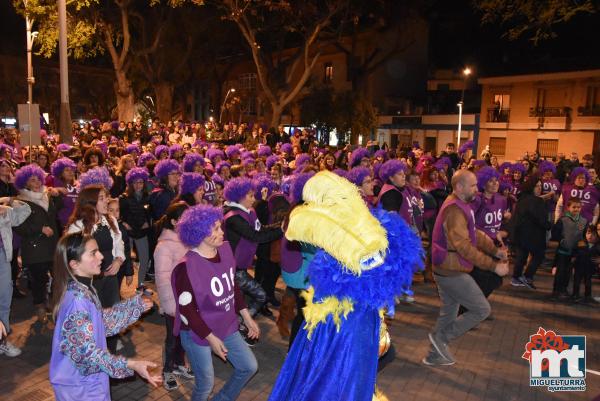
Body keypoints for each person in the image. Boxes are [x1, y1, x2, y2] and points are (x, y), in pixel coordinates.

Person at [49, 232, 161, 400]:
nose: (101, 256)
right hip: (80, 387)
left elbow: (100, 324)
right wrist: (131, 364)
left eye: (98, 251)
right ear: (74, 264)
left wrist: (134, 306)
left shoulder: (85, 289)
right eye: (93, 253)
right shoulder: (77, 301)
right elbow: (87, 354)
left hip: (90, 381)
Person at [172, 204, 259, 401]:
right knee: (205, 385)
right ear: (201, 234)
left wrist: (246, 316)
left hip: (225, 325)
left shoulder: (225, 250)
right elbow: (187, 312)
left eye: (220, 227)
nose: (222, 232)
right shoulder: (186, 268)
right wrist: (211, 338)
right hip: (196, 332)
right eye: (217, 229)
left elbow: (232, 285)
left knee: (249, 366)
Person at [426, 170, 509, 366]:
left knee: (449, 313)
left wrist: (494, 251)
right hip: (450, 271)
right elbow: (463, 246)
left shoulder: (463, 205)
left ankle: (434, 354)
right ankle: (440, 338)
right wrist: (493, 266)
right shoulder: (455, 209)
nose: (477, 189)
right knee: (481, 309)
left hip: (447, 268)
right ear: (459, 187)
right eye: (472, 185)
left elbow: (474, 234)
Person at [223, 178, 283, 320]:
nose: (253, 198)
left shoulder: (249, 211)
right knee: (260, 296)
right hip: (233, 267)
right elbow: (256, 236)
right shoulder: (233, 217)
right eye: (250, 195)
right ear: (239, 197)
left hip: (241, 265)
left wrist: (279, 225)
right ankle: (242, 324)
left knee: (238, 301)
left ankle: (239, 324)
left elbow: (260, 229)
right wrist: (282, 230)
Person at [14, 164, 62, 323]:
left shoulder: (47, 196)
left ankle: (53, 303)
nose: (36, 183)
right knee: (38, 278)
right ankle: (40, 304)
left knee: (58, 275)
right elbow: (18, 225)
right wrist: (39, 228)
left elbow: (57, 213)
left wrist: (57, 196)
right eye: (32, 180)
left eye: (37, 179)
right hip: (35, 246)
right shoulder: (20, 201)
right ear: (24, 183)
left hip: (52, 244)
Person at [154, 202, 193, 391]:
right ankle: (167, 370)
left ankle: (179, 364)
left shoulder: (187, 239)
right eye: (184, 219)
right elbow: (162, 280)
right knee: (172, 338)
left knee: (184, 337)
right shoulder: (164, 246)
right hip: (174, 302)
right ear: (173, 221)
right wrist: (171, 306)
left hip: (188, 300)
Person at [0, 197, 31, 357]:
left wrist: (10, 200)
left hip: (2, 256)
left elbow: (25, 212)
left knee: (5, 299)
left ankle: (2, 341)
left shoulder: (3, 211)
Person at [510, 176, 551, 289]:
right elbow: (541, 219)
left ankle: (516, 277)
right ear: (531, 187)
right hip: (533, 235)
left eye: (540, 186)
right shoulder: (537, 201)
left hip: (520, 233)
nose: (539, 188)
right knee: (538, 255)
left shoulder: (522, 199)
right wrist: (549, 225)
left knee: (521, 257)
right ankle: (527, 276)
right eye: (537, 186)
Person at [119, 167, 152, 292]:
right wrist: (124, 224)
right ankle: (119, 287)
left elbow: (150, 214)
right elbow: (116, 215)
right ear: (131, 183)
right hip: (128, 234)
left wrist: (147, 223)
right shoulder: (124, 198)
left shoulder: (147, 197)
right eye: (136, 182)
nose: (139, 185)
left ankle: (141, 285)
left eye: (141, 182)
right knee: (124, 260)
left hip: (141, 233)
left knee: (144, 258)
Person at [551, 198, 587, 299]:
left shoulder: (583, 221)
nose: (576, 209)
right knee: (560, 271)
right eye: (574, 207)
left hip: (575, 252)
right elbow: (555, 233)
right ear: (568, 208)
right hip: (563, 251)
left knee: (568, 272)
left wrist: (580, 248)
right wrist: (561, 241)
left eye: (578, 207)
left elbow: (583, 236)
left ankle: (564, 289)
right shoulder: (563, 220)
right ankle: (556, 290)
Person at [572, 224, 600, 303]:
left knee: (588, 282)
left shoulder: (597, 247)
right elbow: (575, 251)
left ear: (597, 236)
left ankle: (587, 296)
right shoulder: (581, 243)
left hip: (589, 268)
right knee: (577, 281)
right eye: (588, 233)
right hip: (579, 266)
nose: (590, 236)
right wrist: (573, 257)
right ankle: (575, 294)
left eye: (593, 234)